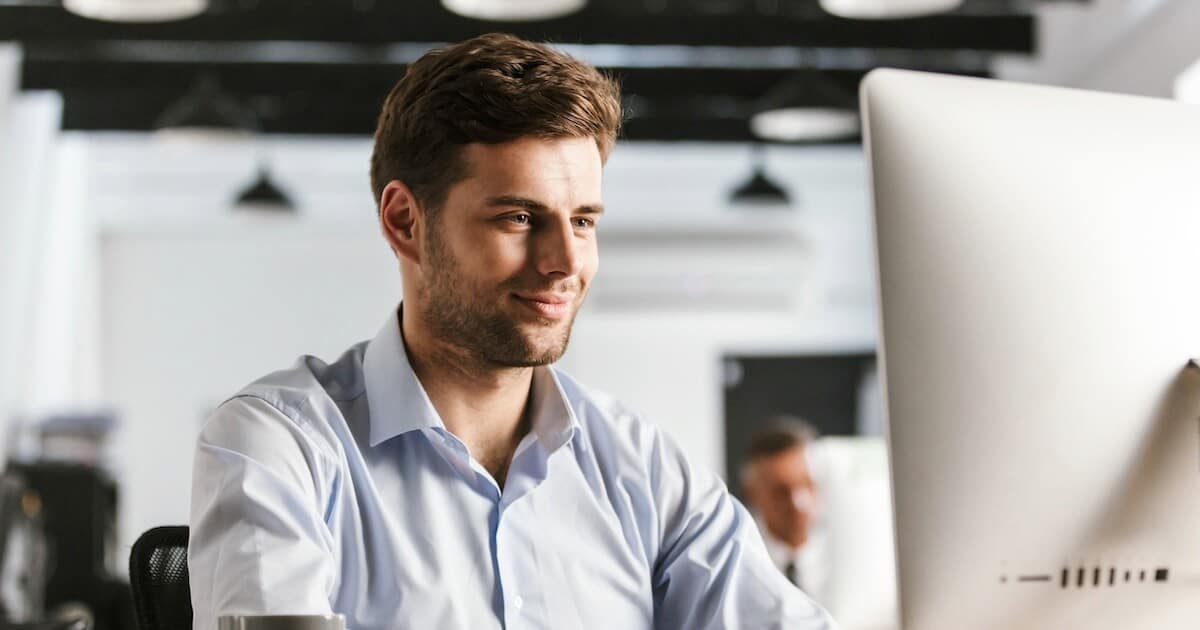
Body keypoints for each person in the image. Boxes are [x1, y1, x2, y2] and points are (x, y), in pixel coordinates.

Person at [187, 33, 834, 630]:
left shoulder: (641, 467)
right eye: (521, 217)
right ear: (405, 222)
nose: (565, 262)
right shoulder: (278, 447)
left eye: (582, 221)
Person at [741, 419, 830, 605]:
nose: (799, 504)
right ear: (752, 493)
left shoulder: (848, 551)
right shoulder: (739, 561)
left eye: (807, 484)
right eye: (781, 492)